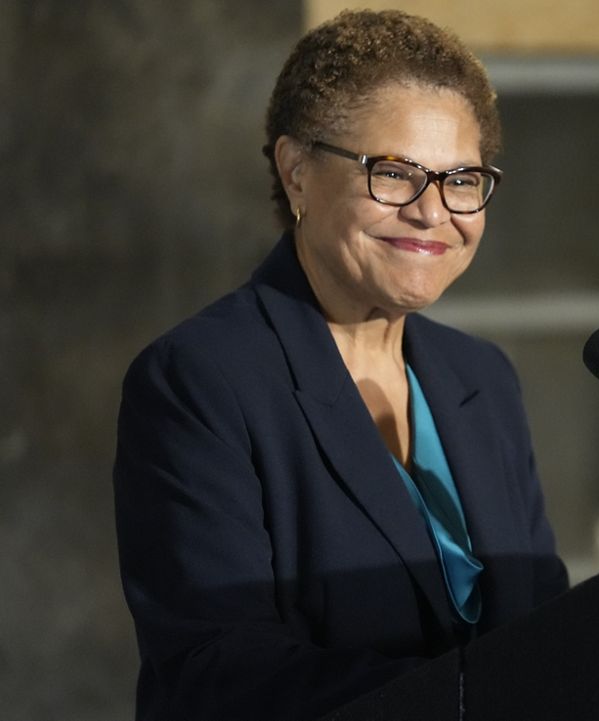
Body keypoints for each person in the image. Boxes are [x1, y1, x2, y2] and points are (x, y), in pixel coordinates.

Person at [113, 10, 568, 720]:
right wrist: (471, 699)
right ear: (296, 172)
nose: (433, 213)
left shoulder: (481, 377)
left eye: (462, 180)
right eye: (393, 173)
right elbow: (218, 674)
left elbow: (550, 628)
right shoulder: (200, 381)